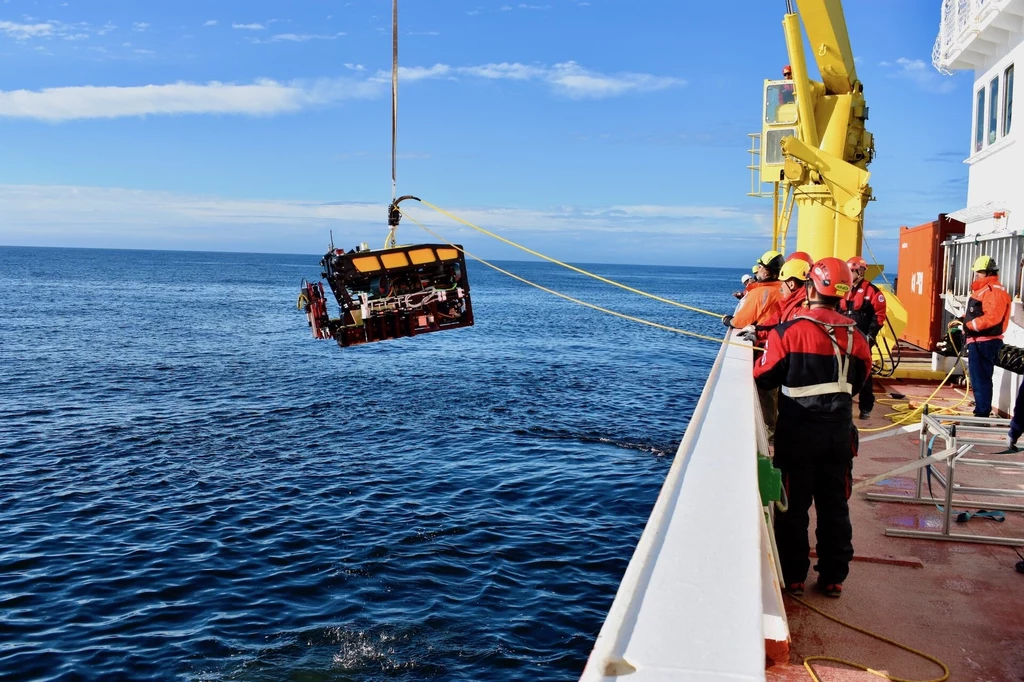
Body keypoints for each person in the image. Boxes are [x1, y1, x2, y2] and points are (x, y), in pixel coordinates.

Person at [754, 257, 872, 598]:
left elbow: (764, 376)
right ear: (843, 292)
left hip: (798, 436)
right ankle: (833, 576)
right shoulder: (855, 335)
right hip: (838, 435)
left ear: (809, 288)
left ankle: (793, 576)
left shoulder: (790, 332)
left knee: (793, 507)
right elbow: (861, 378)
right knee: (835, 505)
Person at [725, 250, 786, 440]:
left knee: (765, 390)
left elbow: (741, 320)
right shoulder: (782, 289)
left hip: (764, 346)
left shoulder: (761, 292)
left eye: (760, 267)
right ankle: (774, 428)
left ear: (767, 272)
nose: (757, 270)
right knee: (776, 391)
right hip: (779, 345)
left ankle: (769, 433)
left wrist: (728, 320)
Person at [951, 255, 1011, 418]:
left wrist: (968, 325)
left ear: (988, 272)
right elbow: (977, 313)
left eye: (979, 273)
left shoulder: (993, 291)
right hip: (977, 341)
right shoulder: (983, 290)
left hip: (985, 342)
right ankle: (981, 409)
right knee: (977, 378)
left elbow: (992, 318)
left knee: (981, 379)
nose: (975, 275)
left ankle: (982, 413)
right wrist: (962, 319)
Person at [840, 256, 888, 419]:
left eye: (851, 271)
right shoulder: (842, 290)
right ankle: (843, 403)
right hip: (844, 338)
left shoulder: (872, 291)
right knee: (842, 371)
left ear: (859, 272)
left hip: (863, 338)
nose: (849, 274)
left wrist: (871, 336)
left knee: (865, 373)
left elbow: (879, 315)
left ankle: (866, 407)